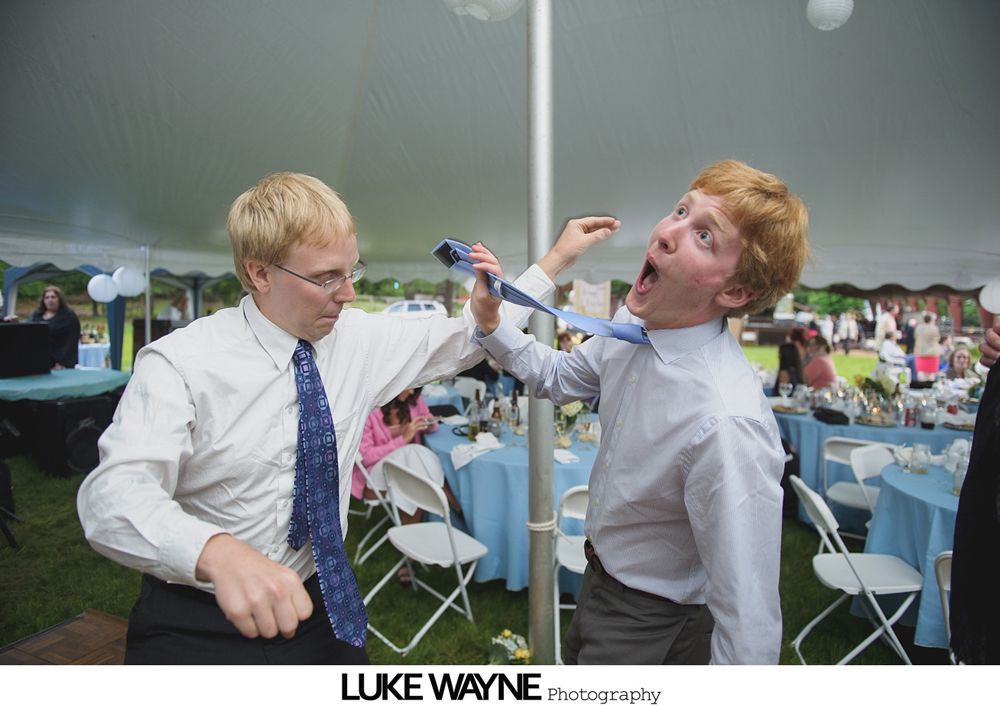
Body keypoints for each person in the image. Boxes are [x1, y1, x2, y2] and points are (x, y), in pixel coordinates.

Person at [76, 171, 600, 665]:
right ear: (259, 273)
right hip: (196, 618)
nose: (348, 293)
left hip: (319, 600)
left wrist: (553, 261)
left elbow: (466, 333)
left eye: (352, 271)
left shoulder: (355, 338)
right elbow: (114, 497)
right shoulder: (181, 363)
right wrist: (215, 553)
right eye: (327, 278)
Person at [468, 159, 808, 664]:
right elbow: (562, 378)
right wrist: (492, 322)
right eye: (680, 210)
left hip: (655, 618)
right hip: (598, 580)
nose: (668, 233)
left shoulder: (727, 422)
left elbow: (748, 616)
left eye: (704, 236)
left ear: (734, 293)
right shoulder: (632, 320)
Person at [28, 285, 80, 369]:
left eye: (53, 297)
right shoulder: (36, 316)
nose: (50, 300)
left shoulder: (69, 317)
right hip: (38, 360)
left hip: (59, 363)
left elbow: (71, 341)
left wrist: (62, 362)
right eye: (47, 297)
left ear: (59, 299)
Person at [913, 312, 941, 381]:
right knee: (931, 374)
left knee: (921, 372)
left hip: (920, 352)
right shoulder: (934, 328)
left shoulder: (918, 328)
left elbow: (915, 337)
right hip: (932, 353)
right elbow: (938, 338)